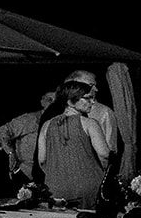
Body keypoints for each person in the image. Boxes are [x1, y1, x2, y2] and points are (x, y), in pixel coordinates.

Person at [37, 78, 112, 209]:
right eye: (87, 98)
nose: (93, 102)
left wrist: (59, 174)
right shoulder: (90, 124)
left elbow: (42, 160)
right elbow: (104, 154)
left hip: (55, 189)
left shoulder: (46, 126)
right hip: (89, 187)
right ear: (70, 102)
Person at [0, 90, 57, 186]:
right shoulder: (30, 119)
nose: (52, 104)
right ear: (42, 101)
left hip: (51, 176)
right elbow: (3, 131)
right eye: (49, 100)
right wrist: (11, 153)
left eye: (56, 101)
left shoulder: (60, 122)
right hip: (26, 174)